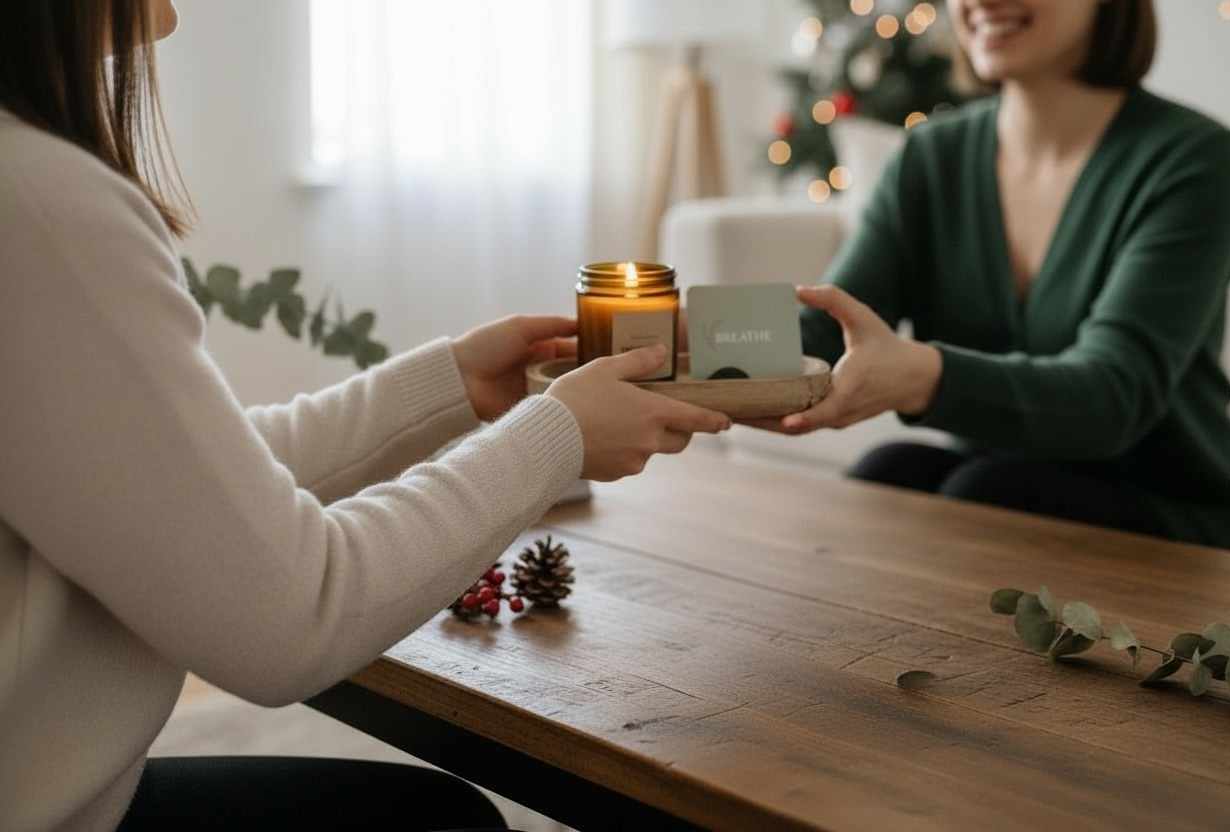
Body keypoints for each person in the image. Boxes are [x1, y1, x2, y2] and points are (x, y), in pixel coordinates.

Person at [0, 2, 731, 831]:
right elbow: (290, 619)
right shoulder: (36, 202)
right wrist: (554, 437)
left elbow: (189, 488)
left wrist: (449, 389)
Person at [760, 0, 1230, 552]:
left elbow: (1114, 395)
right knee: (890, 471)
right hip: (997, 489)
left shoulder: (1196, 159)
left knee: (988, 488)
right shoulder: (930, 155)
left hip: (1173, 519)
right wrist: (683, 338)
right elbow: (823, 333)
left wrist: (926, 375)